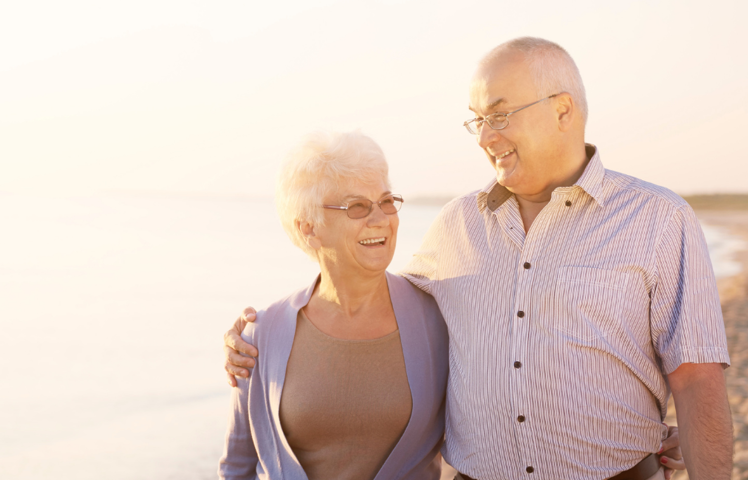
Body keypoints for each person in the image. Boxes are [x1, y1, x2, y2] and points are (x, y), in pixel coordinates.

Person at [224, 37, 731, 480]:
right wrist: (261, 336)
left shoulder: (659, 218)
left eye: (501, 115)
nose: (486, 137)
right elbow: (365, 287)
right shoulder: (457, 224)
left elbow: (697, 379)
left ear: (562, 110)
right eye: (478, 121)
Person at [219, 131, 449, 479]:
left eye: (386, 201)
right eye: (357, 206)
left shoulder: (440, 317)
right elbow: (237, 466)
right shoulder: (261, 335)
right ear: (309, 228)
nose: (380, 219)